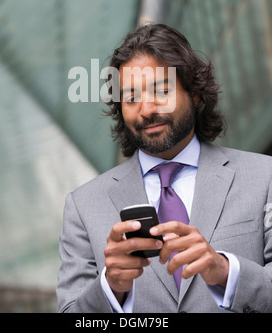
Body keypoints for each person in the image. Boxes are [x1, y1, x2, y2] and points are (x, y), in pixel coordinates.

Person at [56, 23, 272, 313]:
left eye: (160, 90)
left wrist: (225, 270)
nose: (147, 110)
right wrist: (111, 288)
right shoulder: (82, 207)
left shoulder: (264, 177)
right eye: (131, 98)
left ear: (194, 95)